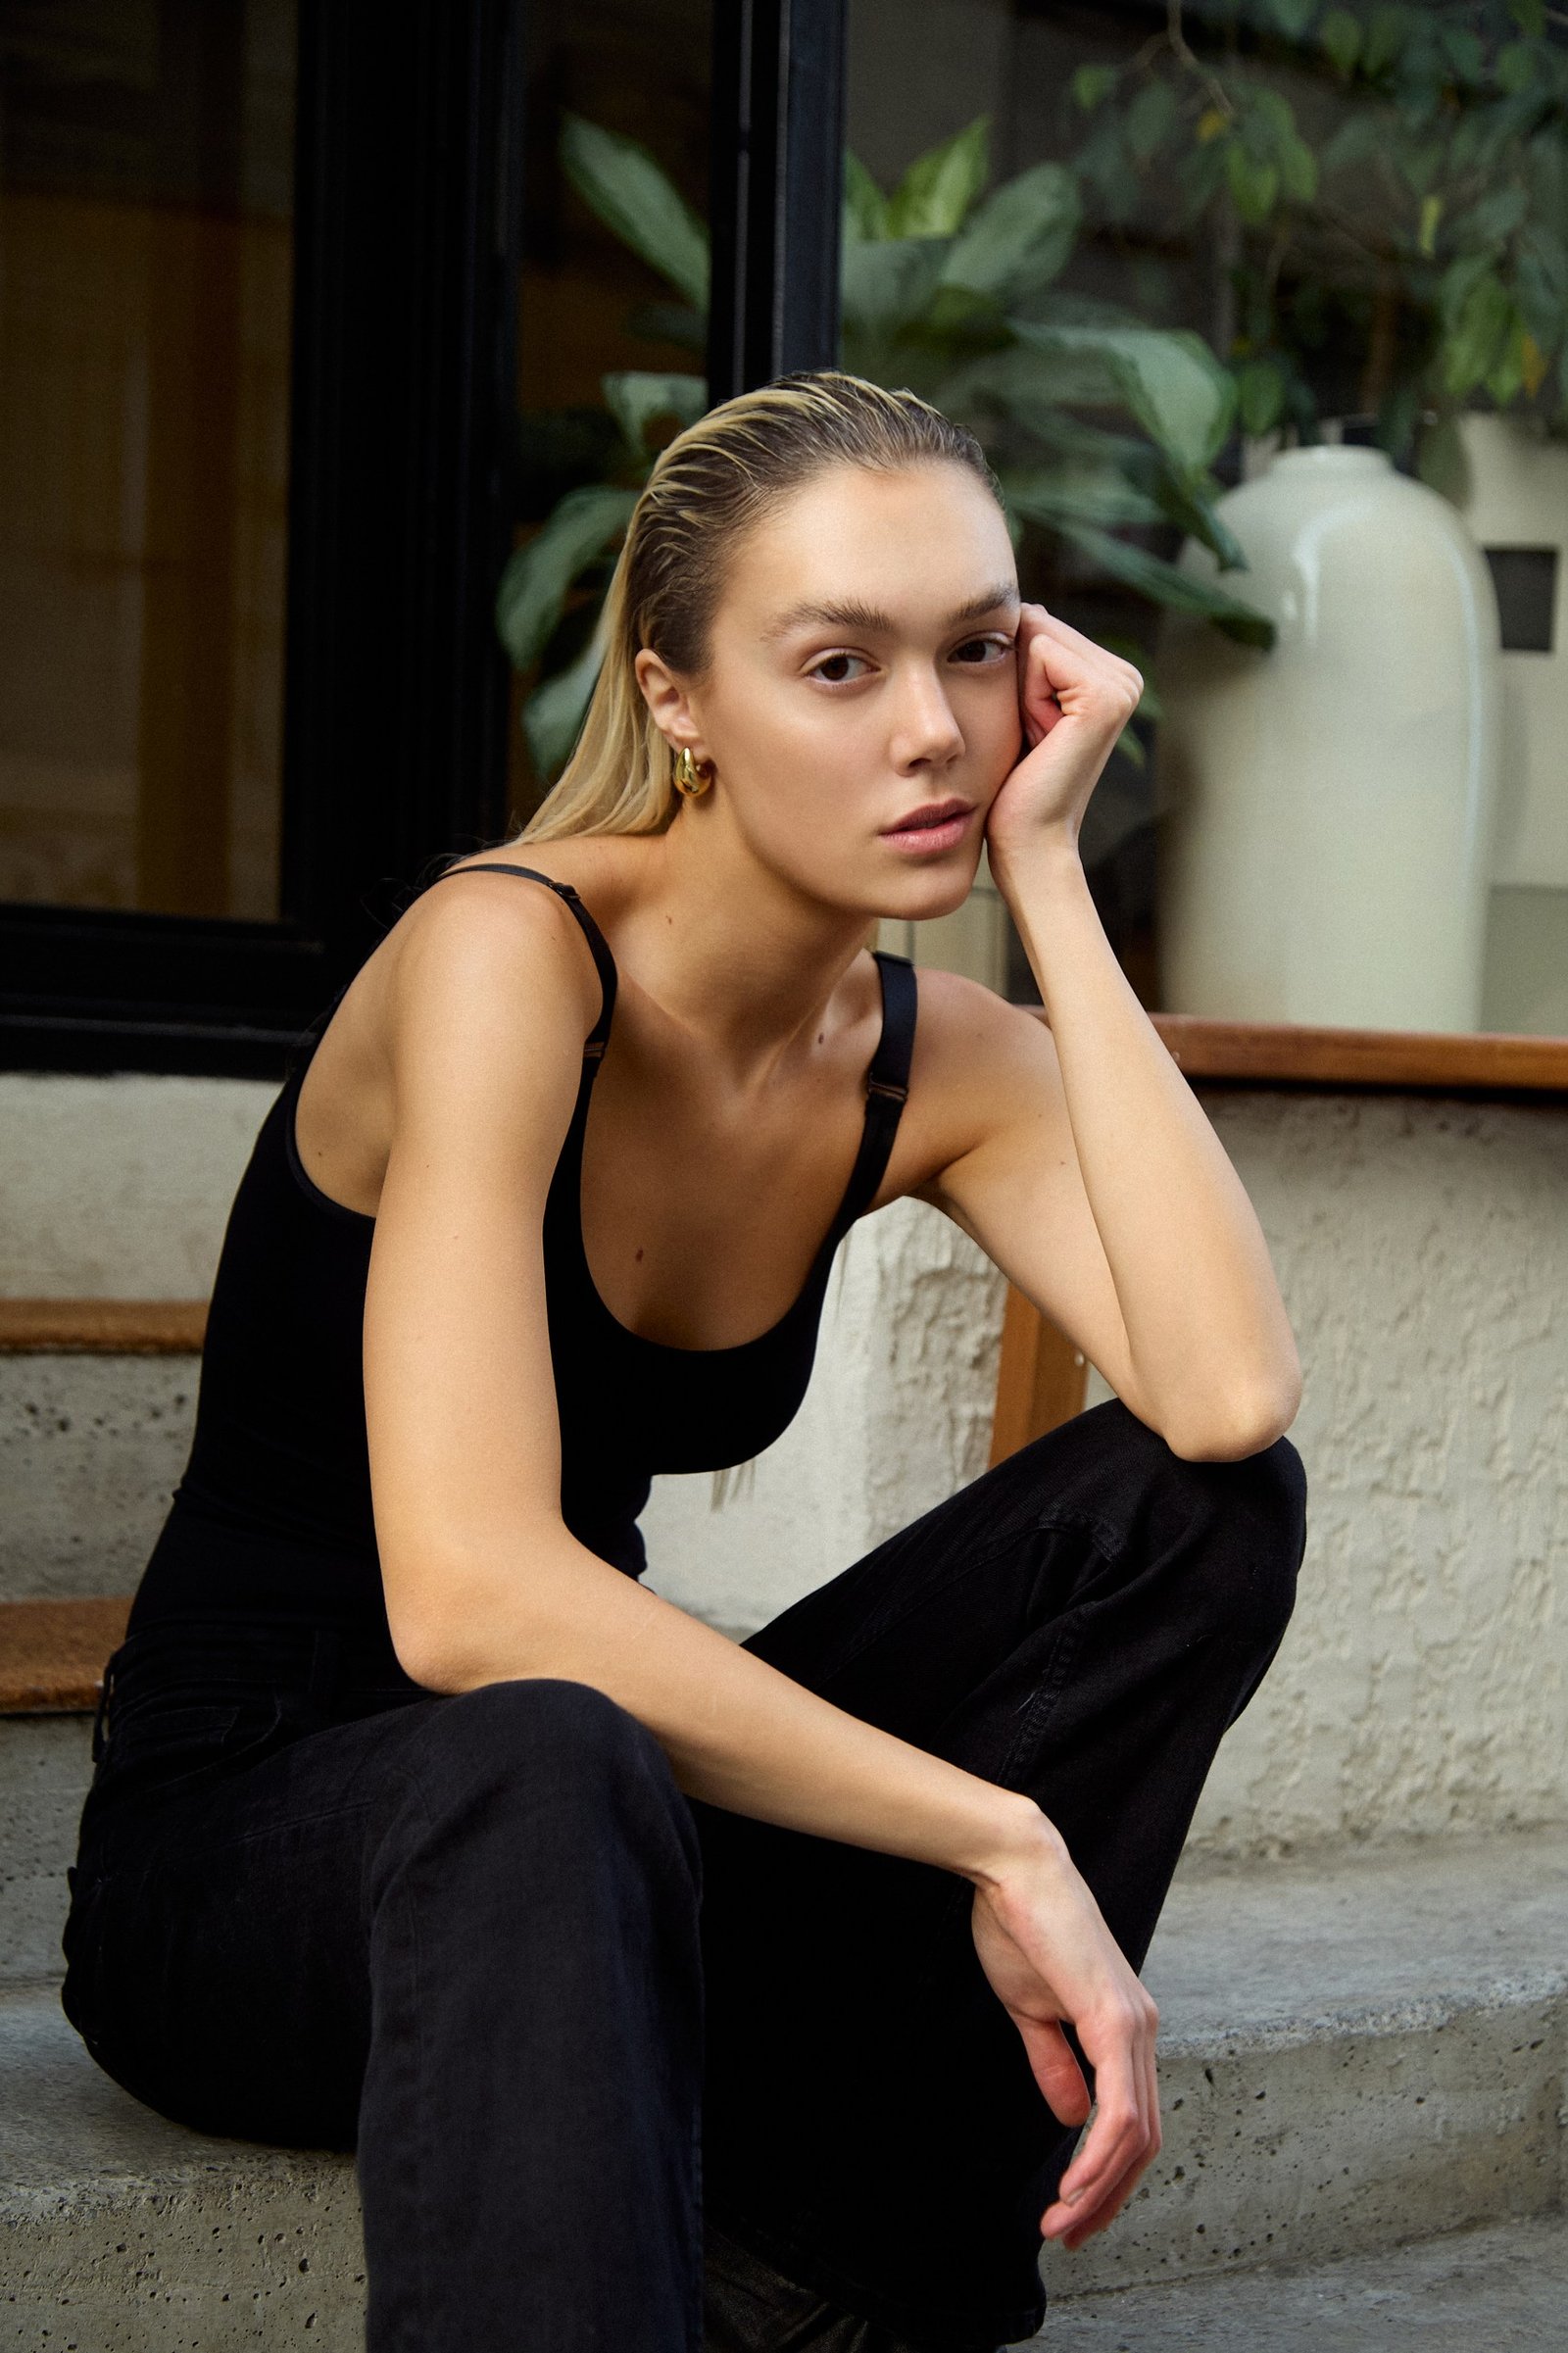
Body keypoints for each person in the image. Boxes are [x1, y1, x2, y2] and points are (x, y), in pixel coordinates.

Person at [59, 368, 1307, 2353]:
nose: (932, 728)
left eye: (975, 650)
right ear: (678, 700)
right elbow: (471, 1597)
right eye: (839, 664)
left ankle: (816, 2292)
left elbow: (1226, 1398)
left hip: (614, 1836)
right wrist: (994, 1830)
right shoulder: (507, 950)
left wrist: (1055, 880)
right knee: (547, 1744)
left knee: (1198, 1509)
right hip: (263, 1859)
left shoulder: (929, 1056)